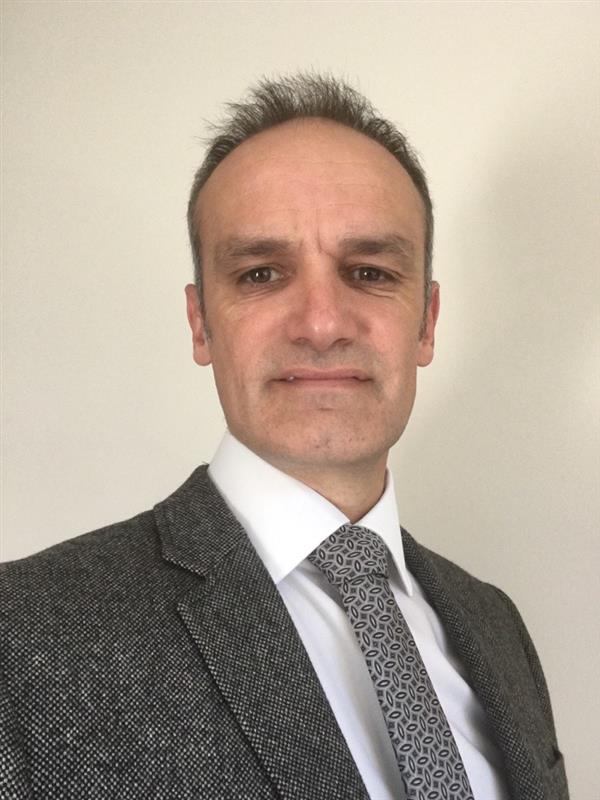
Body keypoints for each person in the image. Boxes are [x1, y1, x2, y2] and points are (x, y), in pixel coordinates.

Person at [0, 74, 568, 800]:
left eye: (369, 271)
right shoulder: (26, 636)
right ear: (201, 323)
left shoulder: (495, 625)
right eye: (262, 273)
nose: (323, 323)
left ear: (425, 323)